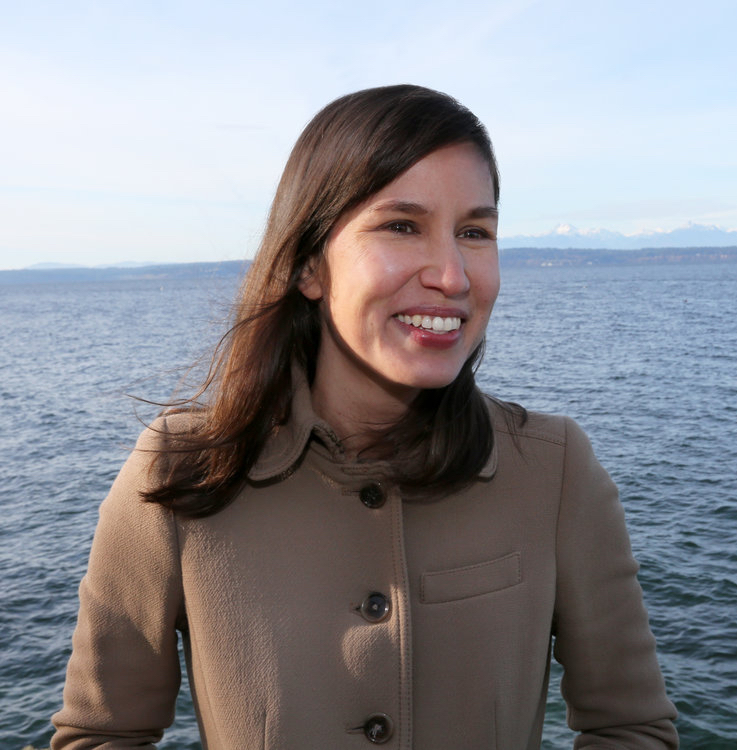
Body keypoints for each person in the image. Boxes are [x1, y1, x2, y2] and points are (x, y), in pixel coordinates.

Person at [51, 84, 678, 749]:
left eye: (475, 232)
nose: (453, 275)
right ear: (308, 265)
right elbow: (99, 735)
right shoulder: (180, 471)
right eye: (402, 225)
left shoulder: (554, 470)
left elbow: (631, 728)